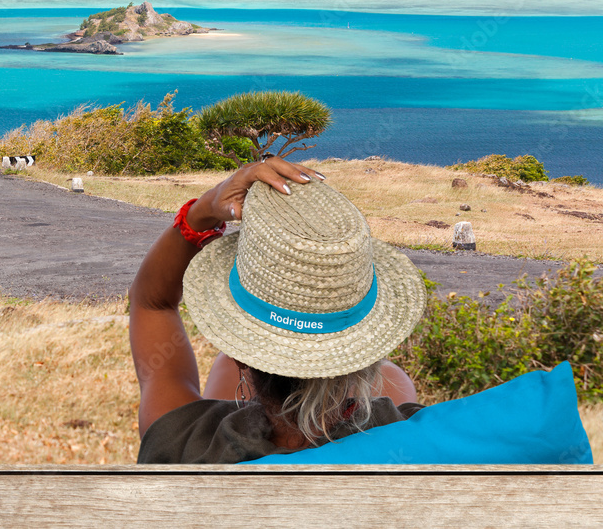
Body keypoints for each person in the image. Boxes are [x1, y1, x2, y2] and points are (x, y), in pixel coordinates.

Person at [129, 156, 429, 463]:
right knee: (396, 378)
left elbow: (152, 303)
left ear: (239, 355)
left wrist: (203, 211)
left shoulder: (182, 442)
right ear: (363, 354)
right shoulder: (417, 441)